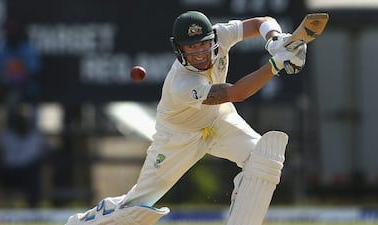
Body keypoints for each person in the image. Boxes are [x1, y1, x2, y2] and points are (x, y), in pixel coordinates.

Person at [66, 11, 306, 225]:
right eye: (191, 47)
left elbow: (261, 22)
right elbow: (236, 94)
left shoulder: (221, 35)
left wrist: (275, 38)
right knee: (135, 210)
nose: (200, 53)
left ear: (212, 38)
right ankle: (91, 220)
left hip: (218, 120)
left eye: (203, 44)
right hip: (177, 138)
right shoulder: (182, 83)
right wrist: (276, 63)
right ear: (179, 49)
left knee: (264, 159)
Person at [0, 111, 51, 208]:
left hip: (28, 173)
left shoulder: (36, 136)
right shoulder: (7, 136)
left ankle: (33, 209)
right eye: (19, 122)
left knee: (34, 172)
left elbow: (48, 151)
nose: (21, 124)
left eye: (24, 122)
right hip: (9, 172)